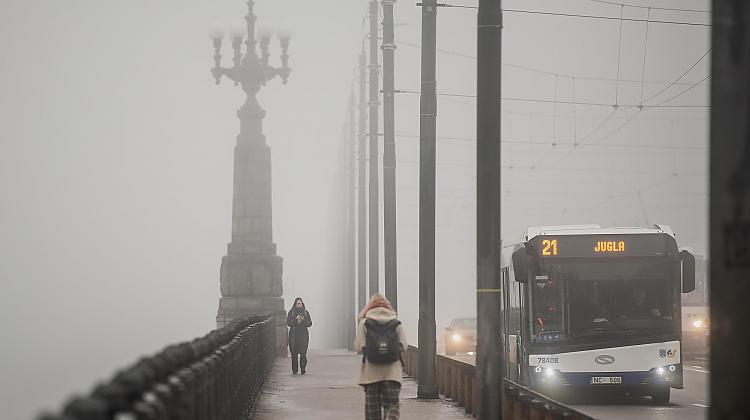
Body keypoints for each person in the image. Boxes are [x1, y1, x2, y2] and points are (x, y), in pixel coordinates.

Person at [354, 293, 407, 420]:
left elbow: (359, 347)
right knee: (392, 406)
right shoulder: (396, 323)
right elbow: (403, 346)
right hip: (392, 374)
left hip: (371, 375)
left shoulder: (364, 323)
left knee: (373, 413)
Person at [287, 297, 312, 374]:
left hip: (303, 336)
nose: (299, 305)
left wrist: (303, 320)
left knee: (303, 353)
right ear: (295, 304)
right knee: (294, 354)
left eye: (300, 303)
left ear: (302, 304)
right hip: (294, 336)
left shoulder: (306, 313)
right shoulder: (291, 313)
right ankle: (294, 370)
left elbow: (310, 324)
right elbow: (289, 323)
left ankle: (303, 368)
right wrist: (296, 319)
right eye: (298, 303)